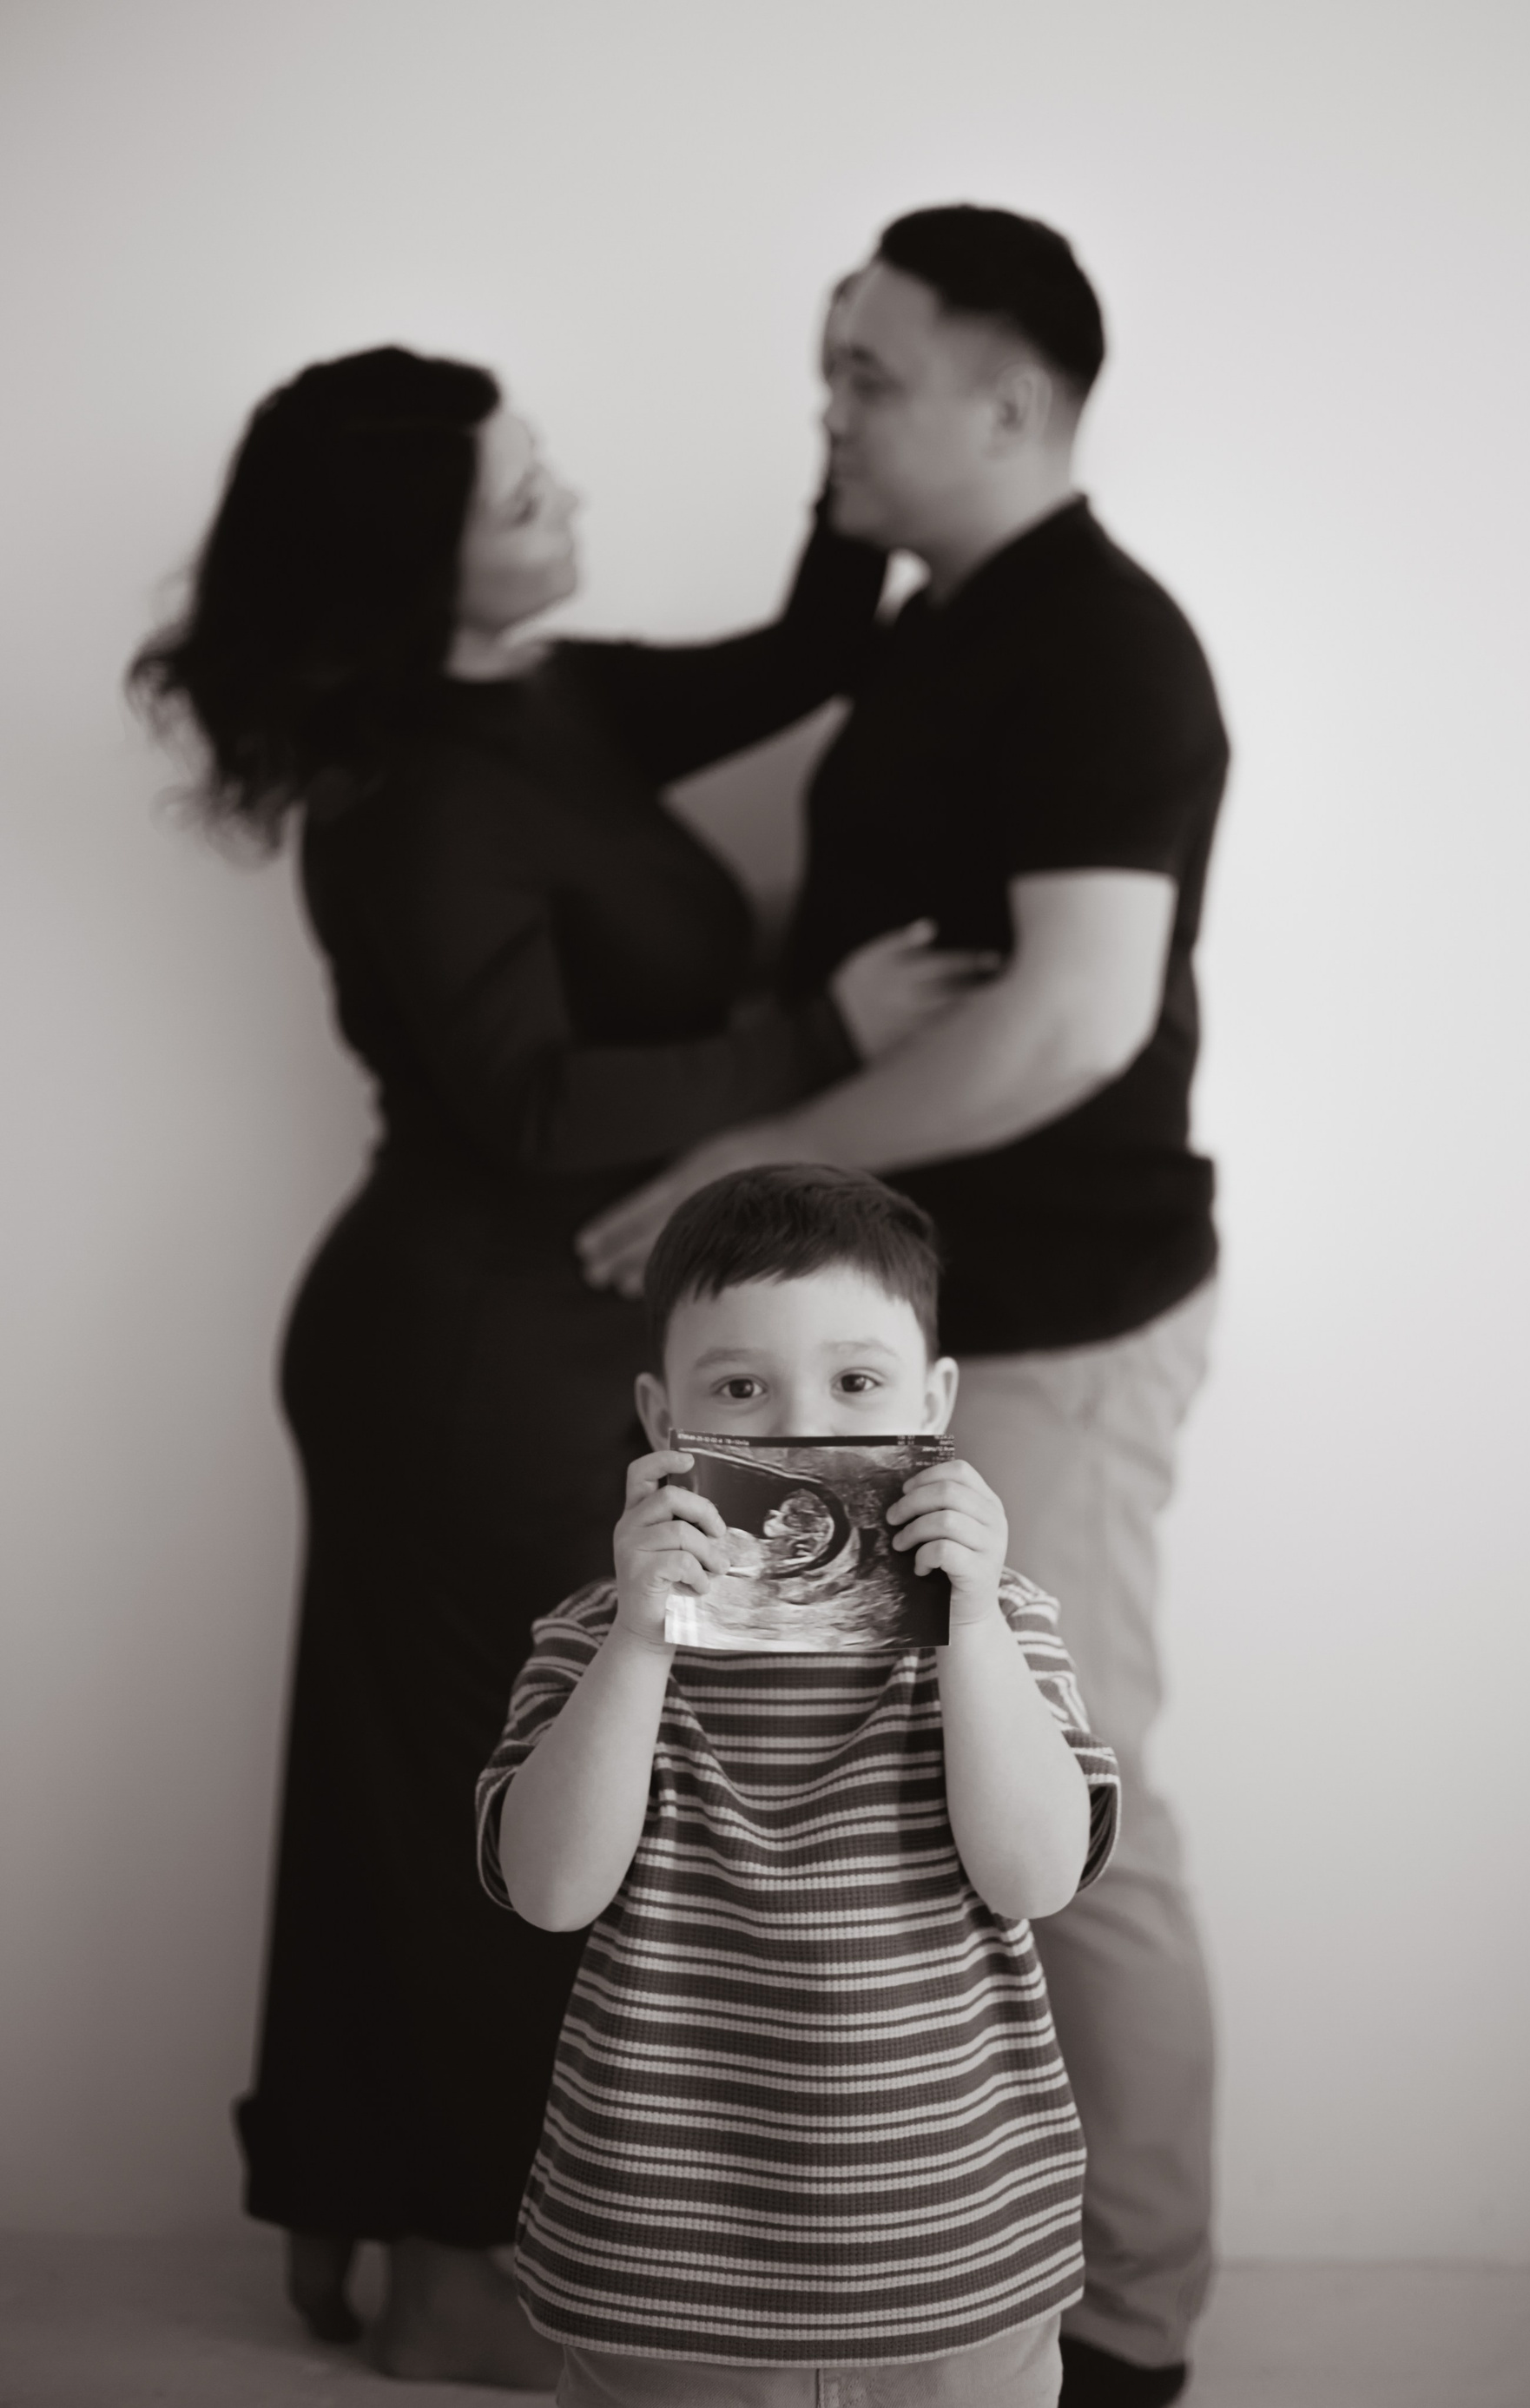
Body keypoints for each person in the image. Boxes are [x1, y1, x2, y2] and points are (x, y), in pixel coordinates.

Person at [129, 345, 980, 2385]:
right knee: (500, 1809)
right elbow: (529, 1102)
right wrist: (825, 1039)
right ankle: (455, 2270)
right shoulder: (416, 794)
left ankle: (400, 2216)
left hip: (525, 1328)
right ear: (413, 566)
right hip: (464, 1348)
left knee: (431, 1786)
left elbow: (802, 654)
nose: (571, 506)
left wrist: (852, 438)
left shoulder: (548, 695)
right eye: (523, 500)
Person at [577, 208, 1230, 2405]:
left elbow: (1070, 1020)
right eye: (827, 368)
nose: (828, 413)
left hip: (1040, 1324)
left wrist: (737, 1152)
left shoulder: (1106, 649)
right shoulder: (945, 627)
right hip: (893, 1339)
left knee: (1064, 1799)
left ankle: (1122, 2331)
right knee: (847, 1780)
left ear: (1013, 402)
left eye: (869, 374)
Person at [478, 1164, 1119, 2406]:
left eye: (857, 1383)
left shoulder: (1003, 1628)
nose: (796, 1428)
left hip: (955, 2262)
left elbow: (1037, 1875)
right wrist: (639, 1641)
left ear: (935, 1401)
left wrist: (971, 1625)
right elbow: (550, 1892)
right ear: (663, 1418)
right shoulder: (592, 1637)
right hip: (664, 2271)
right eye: (740, 1387)